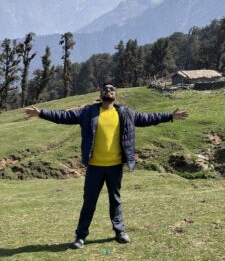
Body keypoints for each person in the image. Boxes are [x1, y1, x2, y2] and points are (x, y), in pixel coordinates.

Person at [24, 82, 188, 249]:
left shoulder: (125, 113)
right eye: (106, 89)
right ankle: (80, 236)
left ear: (115, 95)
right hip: (94, 167)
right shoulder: (88, 112)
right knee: (89, 202)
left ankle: (120, 232)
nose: (109, 91)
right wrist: (41, 113)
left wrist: (170, 116)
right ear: (100, 93)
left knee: (115, 200)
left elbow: (148, 118)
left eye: (112, 89)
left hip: (115, 166)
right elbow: (64, 117)